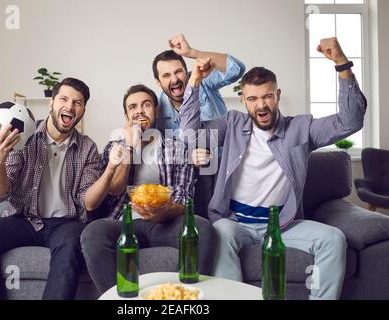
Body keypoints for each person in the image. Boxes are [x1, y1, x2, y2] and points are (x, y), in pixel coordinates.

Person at [179, 38, 367, 300]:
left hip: (283, 226)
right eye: (253, 98)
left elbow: (350, 121)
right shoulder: (232, 124)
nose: (261, 105)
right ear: (243, 101)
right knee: (221, 231)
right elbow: (190, 135)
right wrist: (194, 83)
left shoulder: (301, 128)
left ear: (277, 95)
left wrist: (341, 64)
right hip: (236, 223)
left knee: (334, 239)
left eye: (267, 96)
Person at [0, 78, 122, 300]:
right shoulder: (23, 135)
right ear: (51, 103)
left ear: (83, 110)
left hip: (67, 224)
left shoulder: (88, 148)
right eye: (64, 99)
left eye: (78, 102)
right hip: (24, 220)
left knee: (70, 247)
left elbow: (89, 202)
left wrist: (112, 168)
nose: (70, 106)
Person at [80, 84, 215, 295]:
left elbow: (184, 197)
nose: (139, 111)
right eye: (133, 107)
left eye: (146, 105)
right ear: (126, 116)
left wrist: (164, 211)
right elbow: (115, 191)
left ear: (156, 111)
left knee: (202, 228)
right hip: (125, 224)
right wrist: (130, 146)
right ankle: (117, 301)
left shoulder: (176, 148)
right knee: (93, 233)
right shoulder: (114, 148)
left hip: (165, 224)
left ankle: (186, 297)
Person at [152, 33, 246, 137]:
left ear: (186, 72)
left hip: (223, 152)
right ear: (158, 83)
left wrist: (192, 52)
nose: (174, 80)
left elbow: (236, 69)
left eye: (178, 71)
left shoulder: (202, 79)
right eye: (166, 75)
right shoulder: (157, 106)